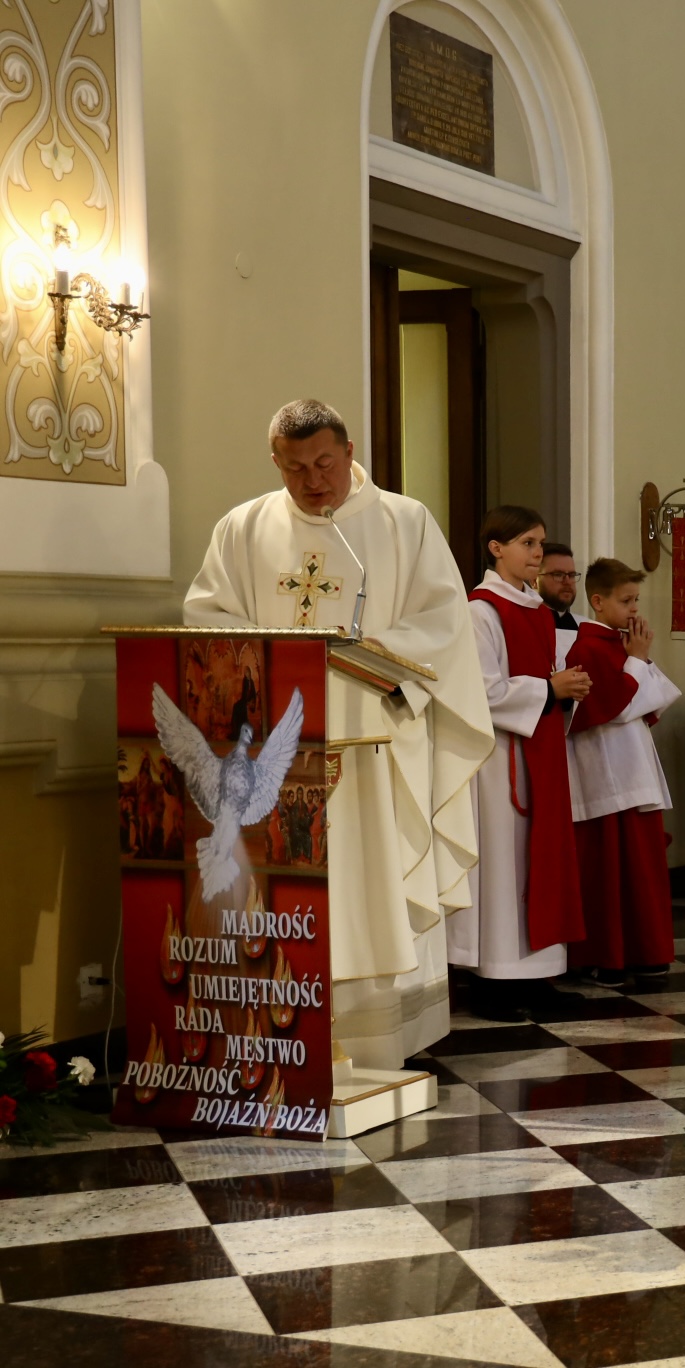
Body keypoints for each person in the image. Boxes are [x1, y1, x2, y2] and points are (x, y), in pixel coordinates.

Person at [185, 399, 494, 1068]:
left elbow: (444, 625)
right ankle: (284, 1033)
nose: (312, 481)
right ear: (275, 462)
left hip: (375, 750)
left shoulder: (404, 523)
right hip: (274, 757)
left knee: (370, 883)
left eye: (324, 464)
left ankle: (373, 1042)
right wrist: (273, 658)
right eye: (294, 468)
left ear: (350, 453)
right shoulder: (243, 528)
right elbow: (207, 617)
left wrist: (365, 652)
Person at [454, 506, 590, 1020]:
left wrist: (566, 689)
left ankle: (537, 975)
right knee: (505, 866)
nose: (538, 553)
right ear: (496, 548)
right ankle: (494, 981)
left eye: (540, 543)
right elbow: (480, 691)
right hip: (500, 760)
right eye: (528, 543)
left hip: (540, 751)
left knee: (540, 863)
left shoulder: (535, 608)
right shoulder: (480, 611)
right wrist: (550, 689)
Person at [566, 559, 682, 992]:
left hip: (633, 770)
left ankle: (646, 952)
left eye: (636, 600)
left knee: (641, 871)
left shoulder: (621, 646)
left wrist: (637, 660)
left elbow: (652, 702)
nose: (634, 609)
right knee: (610, 871)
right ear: (598, 601)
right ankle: (609, 957)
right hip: (605, 775)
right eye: (625, 600)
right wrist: (637, 662)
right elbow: (613, 705)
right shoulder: (587, 648)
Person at [537, 543, 581, 630]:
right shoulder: (520, 623)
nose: (568, 582)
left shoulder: (584, 627)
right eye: (558, 574)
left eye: (571, 575)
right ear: (534, 580)